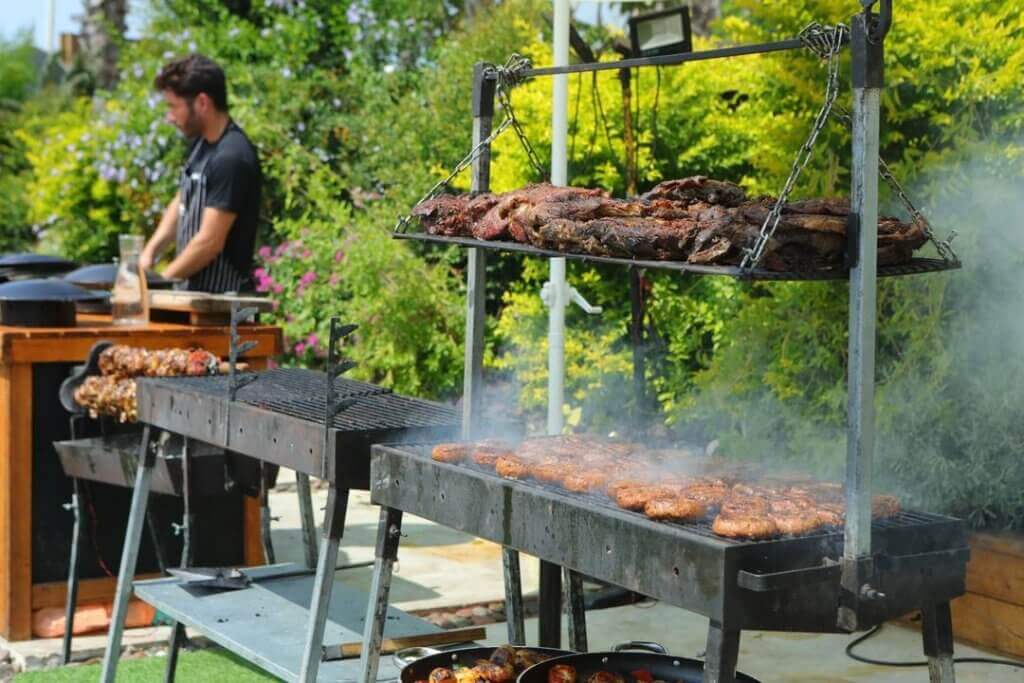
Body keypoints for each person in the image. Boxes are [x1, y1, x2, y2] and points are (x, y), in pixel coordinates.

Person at [140, 54, 262, 293]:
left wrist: (160, 282)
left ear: (202, 103)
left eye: (174, 107)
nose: (170, 116)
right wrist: (150, 252)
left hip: (222, 308)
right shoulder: (201, 145)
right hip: (195, 298)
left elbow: (209, 242)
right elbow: (183, 199)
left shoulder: (232, 157)